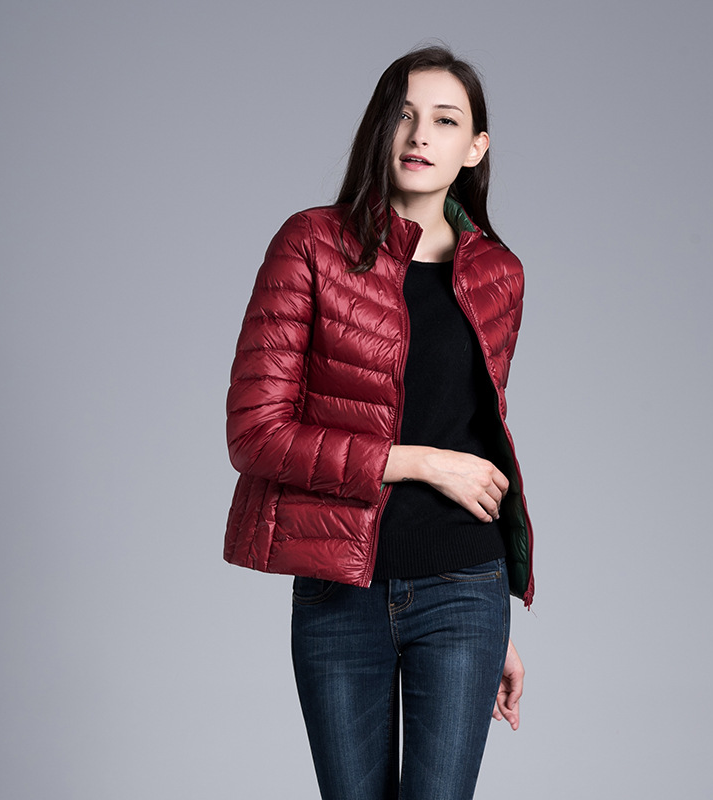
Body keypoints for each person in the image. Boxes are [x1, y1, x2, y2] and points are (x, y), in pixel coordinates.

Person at [224, 45, 534, 800]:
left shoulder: (498, 273)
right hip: (340, 593)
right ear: (379, 128)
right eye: (403, 114)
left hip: (466, 587)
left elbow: (474, 433)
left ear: (475, 147)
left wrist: (495, 623)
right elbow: (255, 433)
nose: (420, 134)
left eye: (445, 120)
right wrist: (417, 461)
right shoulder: (310, 244)